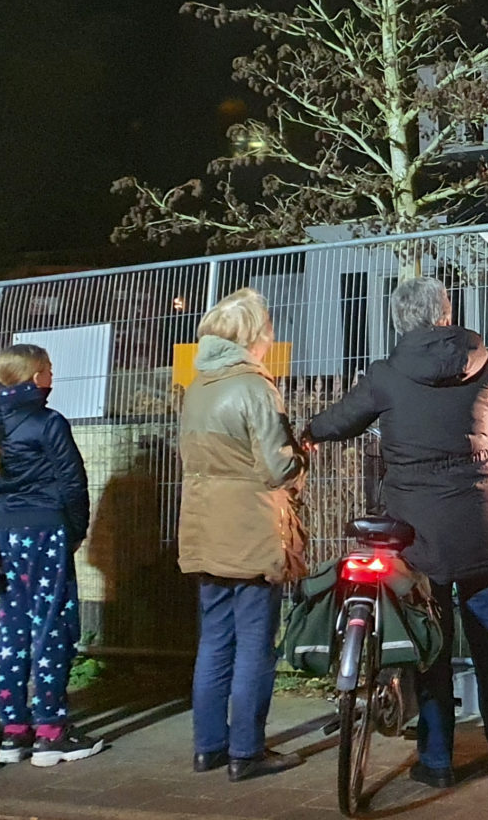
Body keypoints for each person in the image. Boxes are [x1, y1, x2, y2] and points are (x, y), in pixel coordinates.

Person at [308, 276, 488, 790]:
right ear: (446, 315)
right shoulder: (486, 364)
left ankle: (436, 762)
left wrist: (305, 433)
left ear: (398, 321)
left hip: (418, 534)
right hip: (481, 526)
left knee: (428, 642)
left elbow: (339, 421)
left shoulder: (385, 375)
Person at [177, 288, 306, 782]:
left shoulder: (198, 385)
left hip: (204, 525)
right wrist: (302, 456)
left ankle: (208, 747)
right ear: (253, 337)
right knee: (255, 641)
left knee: (214, 640)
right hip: (250, 528)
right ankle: (246, 751)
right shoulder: (255, 387)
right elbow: (277, 469)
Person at [0, 344, 103, 766]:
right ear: (35, 376)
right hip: (47, 531)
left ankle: (13, 730)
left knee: (12, 631)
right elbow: (73, 483)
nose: (52, 378)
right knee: (51, 628)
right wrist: (76, 532)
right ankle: (50, 730)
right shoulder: (48, 422)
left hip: (6, 533)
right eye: (48, 370)